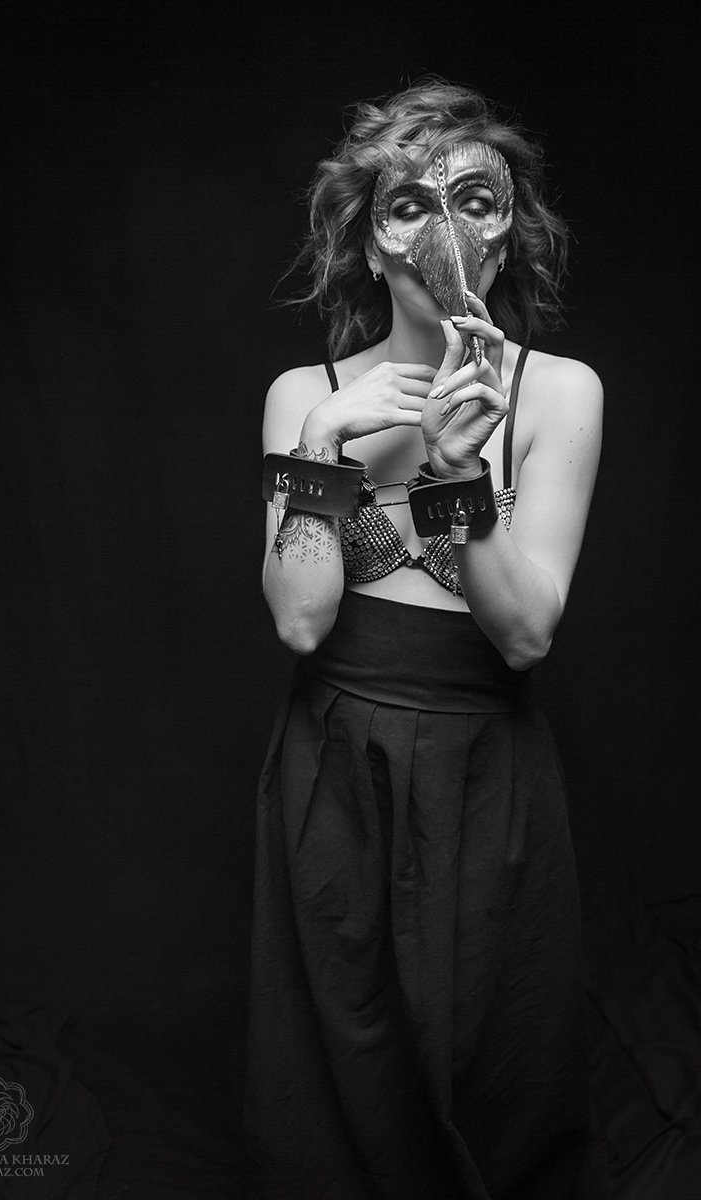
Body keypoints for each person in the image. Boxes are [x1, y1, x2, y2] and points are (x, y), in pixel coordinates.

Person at [245, 77, 602, 1200]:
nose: (443, 231)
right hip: (335, 760)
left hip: (484, 759)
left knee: (489, 1041)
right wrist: (320, 449)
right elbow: (301, 618)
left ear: (509, 227)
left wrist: (455, 472)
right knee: (342, 1045)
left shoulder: (558, 395)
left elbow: (524, 634)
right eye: (407, 204)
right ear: (368, 240)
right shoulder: (305, 393)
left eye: (474, 200)